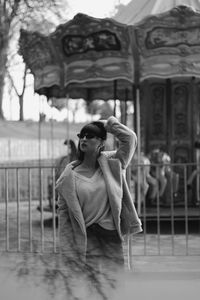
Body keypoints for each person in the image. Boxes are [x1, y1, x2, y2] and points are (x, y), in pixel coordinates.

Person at [55, 116, 142, 273]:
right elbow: (64, 217)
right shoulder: (68, 176)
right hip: (86, 237)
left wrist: (105, 124)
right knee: (91, 288)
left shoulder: (113, 162)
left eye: (90, 135)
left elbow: (130, 138)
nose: (84, 139)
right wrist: (67, 250)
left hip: (110, 233)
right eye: (82, 135)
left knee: (117, 285)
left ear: (101, 142)